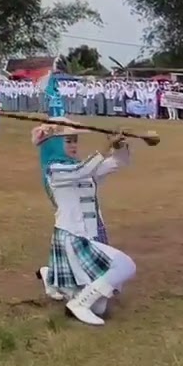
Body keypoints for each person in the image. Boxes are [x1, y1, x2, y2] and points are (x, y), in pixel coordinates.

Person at [34, 118, 137, 326]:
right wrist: (104, 147)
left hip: (91, 236)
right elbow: (81, 171)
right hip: (72, 238)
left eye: (75, 141)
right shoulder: (55, 170)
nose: (73, 145)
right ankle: (78, 304)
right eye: (68, 141)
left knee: (100, 307)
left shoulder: (81, 168)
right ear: (54, 144)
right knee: (126, 265)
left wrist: (120, 146)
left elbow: (117, 163)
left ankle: (51, 277)